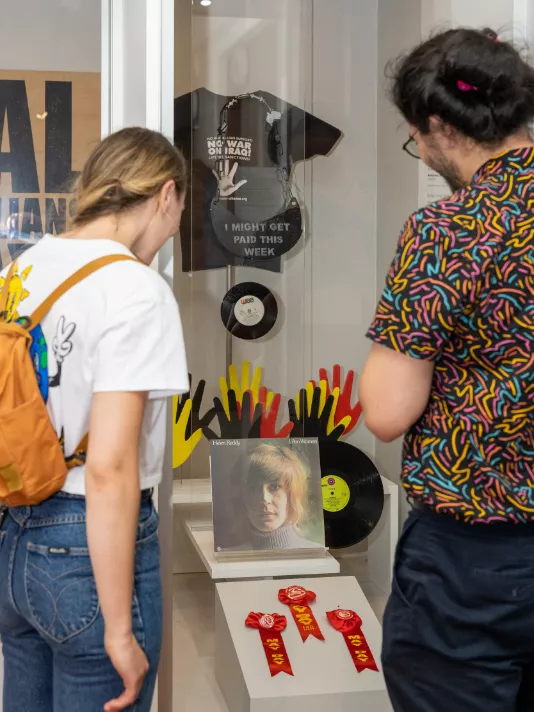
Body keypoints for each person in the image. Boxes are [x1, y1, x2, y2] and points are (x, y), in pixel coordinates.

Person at [359, 27, 534, 711]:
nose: (427, 158)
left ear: (441, 127)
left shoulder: (447, 230)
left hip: (472, 563)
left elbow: (387, 410)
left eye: (419, 143)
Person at [0, 127, 189, 712]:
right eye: (179, 209)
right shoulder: (136, 288)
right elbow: (108, 467)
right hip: (88, 552)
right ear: (165, 194)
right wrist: (117, 629)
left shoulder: (23, 268)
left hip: (16, 538)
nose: (176, 226)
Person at [236, 444, 318, 551]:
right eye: (253, 488)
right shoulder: (228, 556)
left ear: (291, 495)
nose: (265, 499)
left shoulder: (313, 553)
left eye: (274, 487)